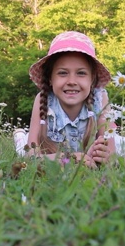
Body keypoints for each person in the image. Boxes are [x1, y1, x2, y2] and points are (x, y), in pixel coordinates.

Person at [14, 31, 119, 168]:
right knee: (22, 148)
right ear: (50, 78)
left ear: (92, 78)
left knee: (123, 145)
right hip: (50, 153)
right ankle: (19, 135)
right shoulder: (43, 99)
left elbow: (112, 155)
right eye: (63, 73)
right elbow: (31, 156)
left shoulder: (100, 99)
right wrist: (70, 158)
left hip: (81, 154)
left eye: (81, 73)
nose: (71, 81)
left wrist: (102, 157)